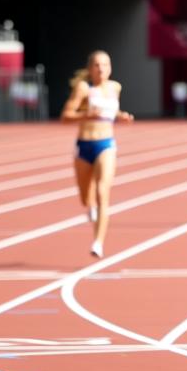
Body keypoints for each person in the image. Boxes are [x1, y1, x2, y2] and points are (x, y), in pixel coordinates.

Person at [60, 50, 133, 257]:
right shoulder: (84, 89)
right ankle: (89, 207)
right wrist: (86, 114)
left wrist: (122, 116)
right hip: (84, 146)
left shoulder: (115, 88)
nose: (101, 69)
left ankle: (98, 242)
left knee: (103, 192)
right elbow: (66, 116)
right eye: (97, 65)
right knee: (86, 198)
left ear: (110, 68)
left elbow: (111, 112)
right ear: (90, 68)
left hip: (106, 144)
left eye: (105, 65)